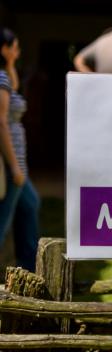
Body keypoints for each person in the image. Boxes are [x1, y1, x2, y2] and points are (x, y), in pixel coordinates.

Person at [0, 28, 39, 271]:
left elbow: (13, 85)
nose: (19, 52)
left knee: (30, 204)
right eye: (14, 48)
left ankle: (28, 267)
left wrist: (10, 62)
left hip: (16, 162)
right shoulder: (1, 79)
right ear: (4, 49)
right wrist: (14, 167)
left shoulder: (6, 77)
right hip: (9, 161)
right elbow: (1, 122)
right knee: (2, 222)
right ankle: (28, 265)